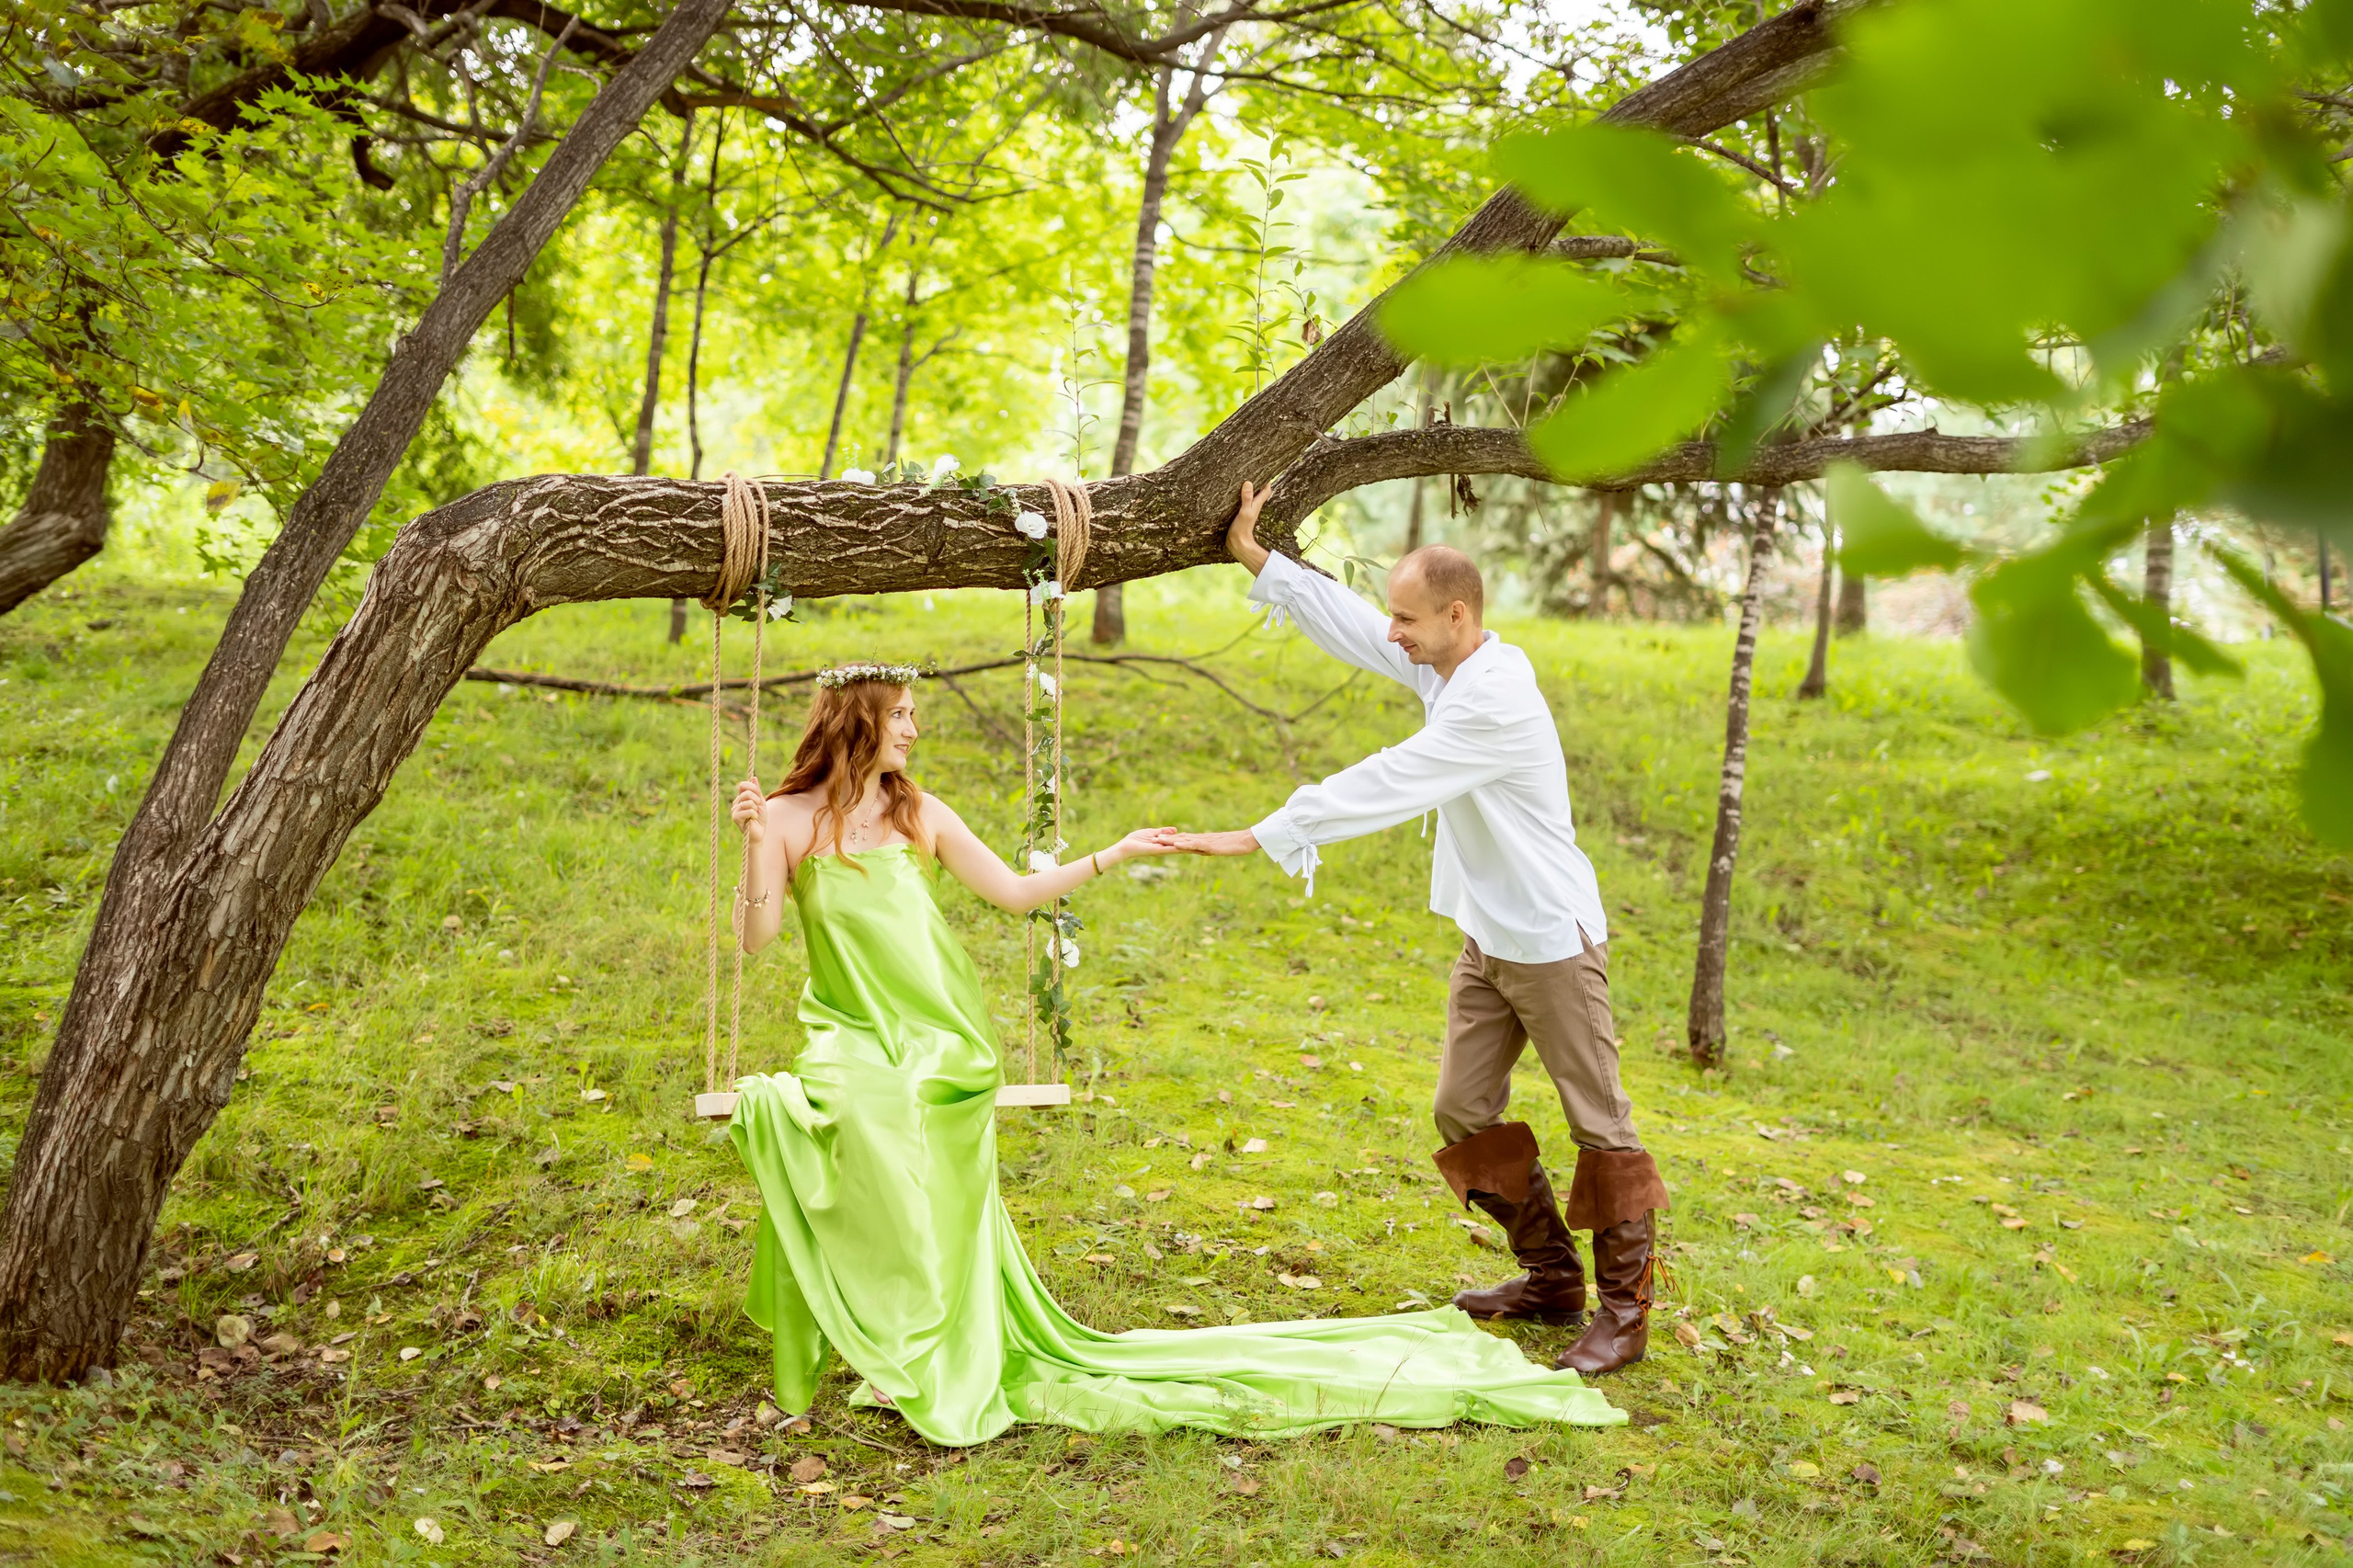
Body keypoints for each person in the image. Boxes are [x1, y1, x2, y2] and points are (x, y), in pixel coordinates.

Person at [720, 660, 1624, 1445]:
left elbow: (1019, 893)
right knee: (868, 1113)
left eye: (914, 713)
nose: (916, 727)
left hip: (936, 1036)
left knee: (908, 1110)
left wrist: (1111, 853)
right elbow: (756, 940)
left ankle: (914, 1344)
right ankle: (902, 1340)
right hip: (848, 1033)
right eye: (903, 713)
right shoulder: (794, 818)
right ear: (859, 718)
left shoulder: (917, 811)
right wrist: (760, 845)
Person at [1166, 484, 1667, 1378]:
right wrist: (1258, 558)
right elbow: (1359, 629)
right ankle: (1551, 1279)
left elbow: (1389, 779)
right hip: (1489, 935)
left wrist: (1261, 833)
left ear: (1457, 614)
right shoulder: (1449, 661)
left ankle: (1624, 1314)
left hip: (1550, 939)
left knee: (1600, 1120)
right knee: (1462, 1107)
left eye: (1408, 618)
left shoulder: (1491, 701)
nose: (1393, 632)